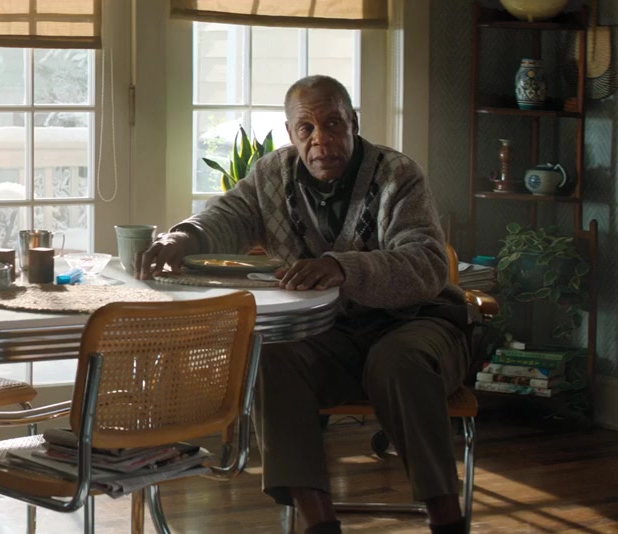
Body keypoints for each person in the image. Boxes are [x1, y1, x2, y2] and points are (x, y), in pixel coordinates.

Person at [138, 76, 471, 534]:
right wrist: (184, 237)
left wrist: (342, 267)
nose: (320, 140)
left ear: (353, 123)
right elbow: (226, 216)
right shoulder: (272, 174)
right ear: (291, 134)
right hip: (331, 334)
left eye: (333, 124)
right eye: (306, 128)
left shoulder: (398, 175)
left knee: (398, 362)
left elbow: (428, 265)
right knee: (271, 358)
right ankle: (319, 523)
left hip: (416, 323)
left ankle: (447, 522)